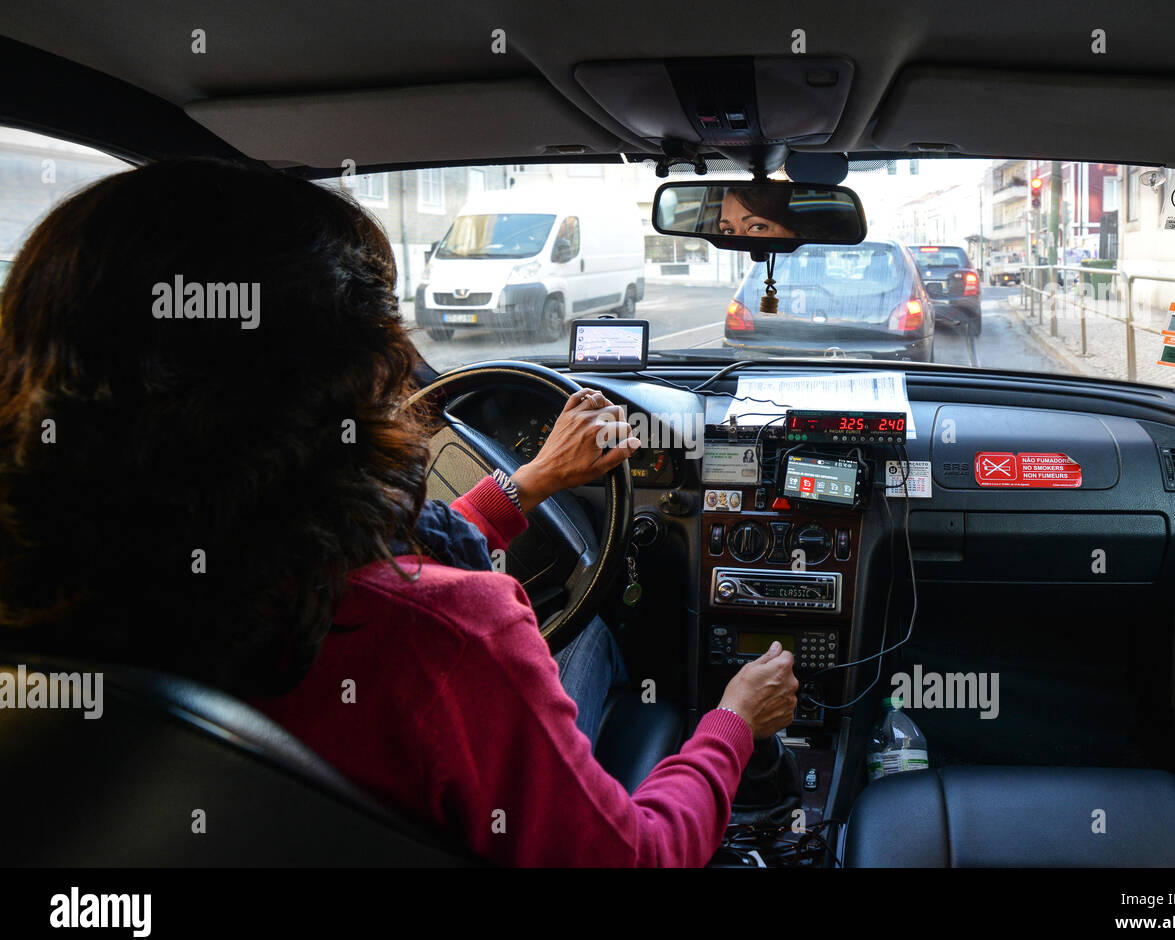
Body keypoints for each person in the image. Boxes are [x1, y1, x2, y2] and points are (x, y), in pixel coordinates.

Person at [0, 159, 799, 867]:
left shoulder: (77, 581)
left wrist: (535, 482)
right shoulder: (450, 639)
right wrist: (732, 723)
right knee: (594, 634)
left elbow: (370, 561)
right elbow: (637, 856)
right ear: (334, 389)